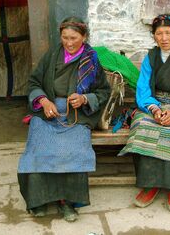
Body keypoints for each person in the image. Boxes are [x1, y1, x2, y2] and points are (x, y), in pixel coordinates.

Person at [17, 17, 110, 222]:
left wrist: (85, 98)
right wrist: (43, 101)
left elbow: (104, 91)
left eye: (74, 38)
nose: (69, 43)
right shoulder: (52, 54)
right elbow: (34, 82)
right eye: (65, 37)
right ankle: (39, 199)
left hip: (76, 115)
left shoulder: (91, 60)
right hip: (47, 112)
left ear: (84, 37)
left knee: (73, 150)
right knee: (38, 145)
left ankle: (67, 201)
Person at [119, 14, 170, 212]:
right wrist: (154, 109)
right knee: (143, 127)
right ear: (154, 35)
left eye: (168, 33)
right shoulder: (151, 57)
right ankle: (151, 184)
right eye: (159, 33)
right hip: (153, 105)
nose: (164, 38)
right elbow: (143, 89)